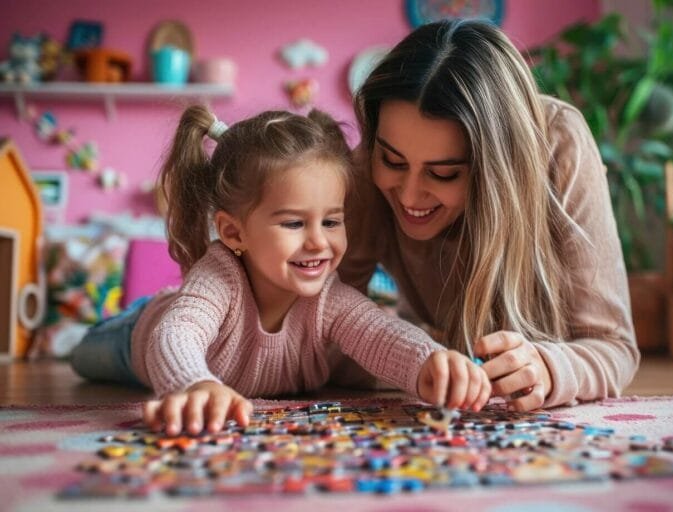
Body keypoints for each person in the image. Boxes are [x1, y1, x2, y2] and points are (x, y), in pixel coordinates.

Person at [71, 106, 491, 436]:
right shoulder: (220, 275)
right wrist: (194, 385)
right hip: (137, 335)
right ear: (234, 232)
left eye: (331, 221)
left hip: (183, 328)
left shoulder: (330, 297)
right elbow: (175, 336)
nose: (318, 242)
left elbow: (381, 334)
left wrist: (432, 362)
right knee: (81, 356)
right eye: (293, 223)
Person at [339, 19, 640, 412]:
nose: (409, 195)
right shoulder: (365, 168)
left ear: (497, 169)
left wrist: (551, 368)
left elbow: (615, 347)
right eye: (393, 162)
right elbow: (321, 319)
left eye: (443, 173)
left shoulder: (559, 145)